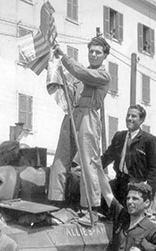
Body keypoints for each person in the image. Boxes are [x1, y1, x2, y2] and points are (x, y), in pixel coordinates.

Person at [47, 36, 111, 222]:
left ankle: (90, 209)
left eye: (98, 52)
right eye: (91, 51)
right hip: (72, 113)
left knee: (87, 162)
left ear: (105, 55)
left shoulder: (103, 75)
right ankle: (55, 203)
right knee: (60, 158)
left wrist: (64, 58)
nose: (94, 54)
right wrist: (54, 65)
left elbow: (82, 73)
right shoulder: (78, 72)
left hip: (88, 116)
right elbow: (71, 82)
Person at [101, 104, 156, 205]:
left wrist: (148, 196)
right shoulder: (119, 136)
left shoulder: (149, 140)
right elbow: (106, 157)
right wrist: (89, 168)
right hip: (119, 182)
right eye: (128, 115)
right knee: (100, 200)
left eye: (133, 116)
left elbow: (154, 171)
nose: (129, 118)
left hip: (135, 187)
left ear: (141, 120)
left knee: (126, 215)